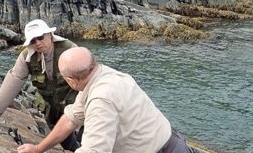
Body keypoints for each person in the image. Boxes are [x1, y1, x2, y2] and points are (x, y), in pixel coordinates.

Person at [16, 46, 192, 153]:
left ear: (70, 81)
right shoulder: (102, 74)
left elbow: (94, 151)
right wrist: (39, 148)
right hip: (171, 142)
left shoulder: (101, 100)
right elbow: (71, 119)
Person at [0, 19, 81, 151]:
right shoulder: (26, 57)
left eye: (40, 37)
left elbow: (89, 78)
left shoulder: (71, 50)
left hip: (77, 105)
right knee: (67, 143)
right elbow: (14, 80)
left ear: (50, 35)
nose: (38, 43)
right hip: (52, 109)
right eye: (33, 41)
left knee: (89, 141)